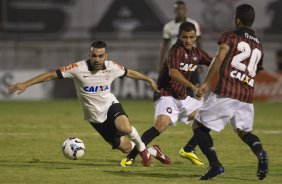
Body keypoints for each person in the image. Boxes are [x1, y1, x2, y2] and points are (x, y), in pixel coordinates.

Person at [8, 41, 166, 167]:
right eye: (94, 56)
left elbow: (129, 72)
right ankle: (153, 150)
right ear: (89, 55)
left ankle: (143, 149)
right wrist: (26, 84)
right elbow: (51, 75)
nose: (97, 59)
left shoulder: (112, 67)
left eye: (100, 56)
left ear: (106, 56)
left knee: (124, 127)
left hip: (110, 105)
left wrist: (148, 80)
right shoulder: (78, 68)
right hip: (95, 118)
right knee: (124, 147)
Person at [192, 4, 268, 180]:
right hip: (246, 95)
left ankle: (215, 166)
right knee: (244, 132)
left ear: (237, 19)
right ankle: (261, 153)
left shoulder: (231, 36)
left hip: (227, 92)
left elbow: (219, 57)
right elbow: (255, 70)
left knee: (198, 126)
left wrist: (205, 83)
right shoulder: (259, 46)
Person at [120, 22, 212, 167]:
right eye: (184, 37)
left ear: (195, 38)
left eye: (191, 37)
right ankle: (131, 156)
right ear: (179, 37)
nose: (188, 40)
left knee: (209, 116)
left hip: (182, 97)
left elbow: (215, 64)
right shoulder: (175, 51)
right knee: (160, 125)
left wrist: (207, 82)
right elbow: (173, 73)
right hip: (165, 95)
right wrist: (194, 87)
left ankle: (188, 149)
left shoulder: (196, 54)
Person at [160, 0, 202, 98]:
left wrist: (200, 62)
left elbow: (199, 42)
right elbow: (164, 46)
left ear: (185, 10)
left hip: (191, 60)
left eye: (182, 9)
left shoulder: (193, 24)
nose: (180, 11)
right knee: (177, 86)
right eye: (177, 9)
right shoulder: (168, 26)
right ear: (175, 11)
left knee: (196, 86)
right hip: (176, 61)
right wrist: (161, 63)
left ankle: (198, 109)